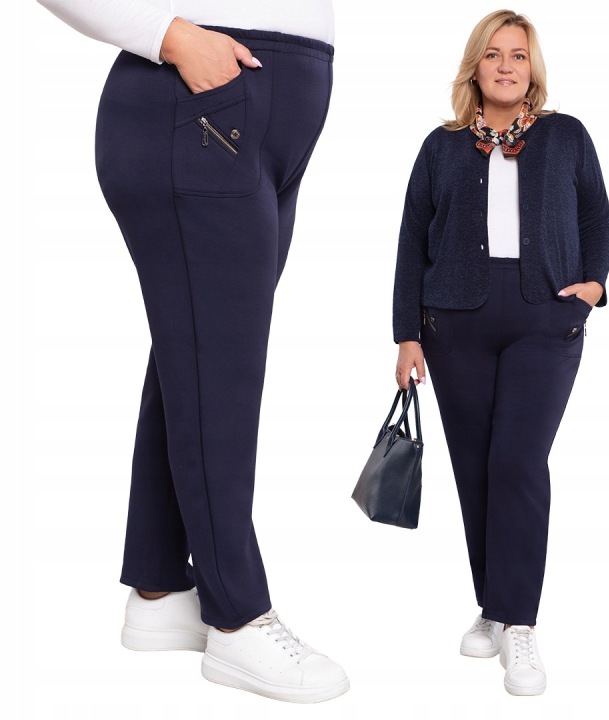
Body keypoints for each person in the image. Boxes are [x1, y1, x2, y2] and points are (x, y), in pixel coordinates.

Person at [36, 0, 348, 704]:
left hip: (257, 115)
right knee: (220, 368)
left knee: (203, 353)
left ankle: (159, 587)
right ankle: (237, 616)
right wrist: (168, 36)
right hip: (198, 106)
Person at [393, 9, 609, 696]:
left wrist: (592, 287)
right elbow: (411, 238)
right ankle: (492, 604)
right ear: (476, 68)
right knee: (476, 470)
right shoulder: (441, 147)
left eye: (518, 55)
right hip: (454, 325)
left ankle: (518, 623)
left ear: (532, 68)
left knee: (517, 461)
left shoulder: (566, 136)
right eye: (494, 54)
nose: (507, 66)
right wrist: (406, 333)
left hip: (545, 319)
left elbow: (595, 214)